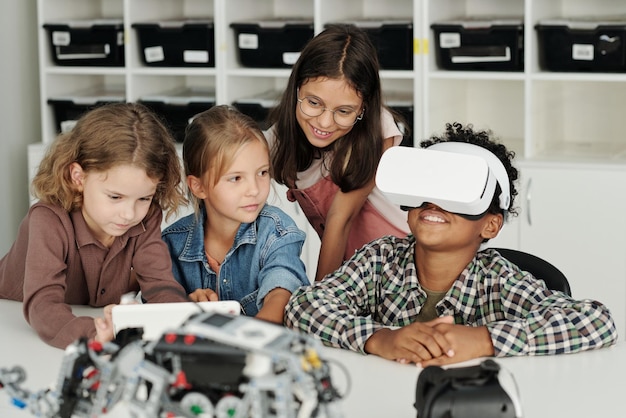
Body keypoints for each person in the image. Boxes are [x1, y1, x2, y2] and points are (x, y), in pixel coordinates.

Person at [284, 122, 618, 367]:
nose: (434, 203)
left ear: (490, 224)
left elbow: (595, 321)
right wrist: (380, 338)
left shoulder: (498, 280)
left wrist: (483, 340)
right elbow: (303, 306)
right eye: (427, 188)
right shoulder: (379, 259)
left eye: (456, 193)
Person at [0, 103, 190, 349]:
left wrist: (183, 319)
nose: (129, 213)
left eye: (144, 198)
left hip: (80, 312)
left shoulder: (146, 217)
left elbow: (160, 283)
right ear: (78, 177)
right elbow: (42, 304)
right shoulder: (47, 219)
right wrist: (93, 332)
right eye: (115, 197)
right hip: (11, 313)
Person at [267, 24, 410, 281]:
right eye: (313, 103)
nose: (324, 123)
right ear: (297, 89)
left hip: (397, 270)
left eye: (344, 111)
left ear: (363, 108)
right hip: (350, 274)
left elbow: (339, 220)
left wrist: (319, 302)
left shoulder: (376, 131)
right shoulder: (280, 137)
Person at [162, 105, 309, 324]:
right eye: (236, 178)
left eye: (262, 172)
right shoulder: (171, 243)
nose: (254, 189)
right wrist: (183, 305)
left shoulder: (277, 232)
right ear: (199, 186)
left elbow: (281, 291)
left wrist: (247, 341)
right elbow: (155, 307)